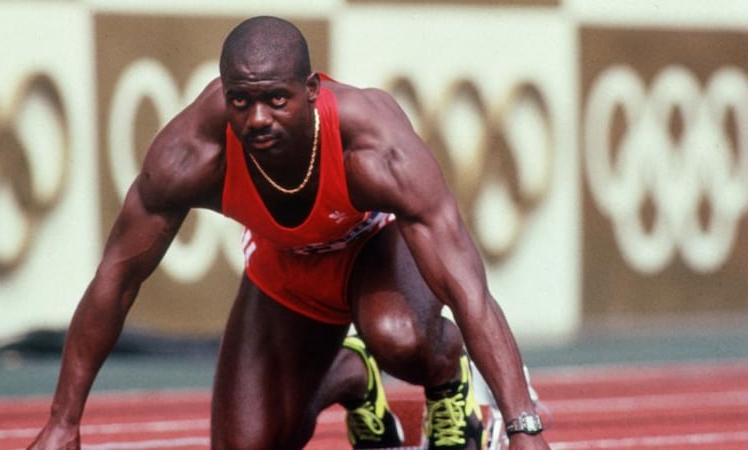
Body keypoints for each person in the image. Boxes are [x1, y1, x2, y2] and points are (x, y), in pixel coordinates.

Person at [28, 16, 549, 450]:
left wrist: (524, 425)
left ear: (311, 90)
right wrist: (63, 421)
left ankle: (445, 378)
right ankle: (350, 374)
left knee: (396, 334)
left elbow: (466, 288)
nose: (257, 119)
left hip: (375, 253)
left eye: (276, 100)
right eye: (240, 101)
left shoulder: (373, 147)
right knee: (249, 444)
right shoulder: (189, 156)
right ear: (224, 94)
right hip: (287, 267)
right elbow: (116, 280)